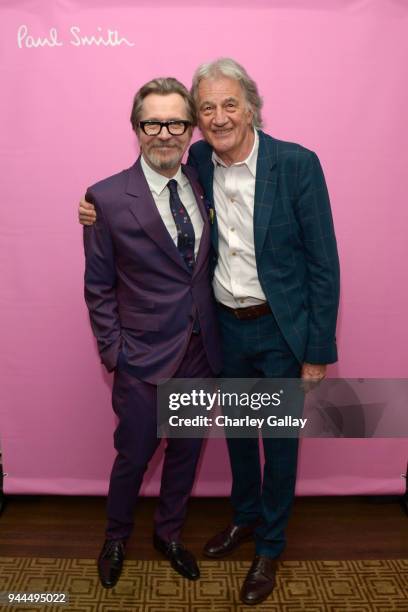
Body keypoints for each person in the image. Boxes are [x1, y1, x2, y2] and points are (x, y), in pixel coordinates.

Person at [79, 58, 340, 606]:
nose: (217, 118)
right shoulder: (195, 162)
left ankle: (268, 545)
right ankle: (232, 521)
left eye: (228, 105)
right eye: (206, 108)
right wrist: (91, 209)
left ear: (250, 107)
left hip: (278, 333)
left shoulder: (295, 165)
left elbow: (324, 264)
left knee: (278, 444)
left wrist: (318, 351)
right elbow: (125, 220)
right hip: (220, 334)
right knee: (235, 442)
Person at [82, 77, 221, 589]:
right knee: (135, 455)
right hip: (140, 359)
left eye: (176, 122)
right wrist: (114, 353)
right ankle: (116, 535)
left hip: (200, 353)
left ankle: (170, 533)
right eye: (153, 122)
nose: (165, 133)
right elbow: (98, 287)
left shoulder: (204, 181)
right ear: (136, 127)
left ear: (191, 129)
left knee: (186, 450)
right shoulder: (106, 198)